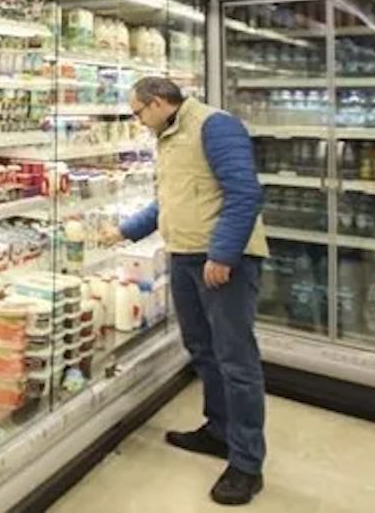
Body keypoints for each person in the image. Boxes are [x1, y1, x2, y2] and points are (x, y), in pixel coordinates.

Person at [103, 77, 268, 506]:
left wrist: (223, 253)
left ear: (158, 103)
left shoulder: (215, 125)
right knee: (203, 349)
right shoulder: (169, 136)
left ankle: (247, 464)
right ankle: (219, 431)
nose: (139, 121)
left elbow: (245, 193)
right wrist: (124, 231)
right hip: (184, 256)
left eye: (139, 112)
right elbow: (170, 201)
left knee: (236, 359)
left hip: (221, 262)